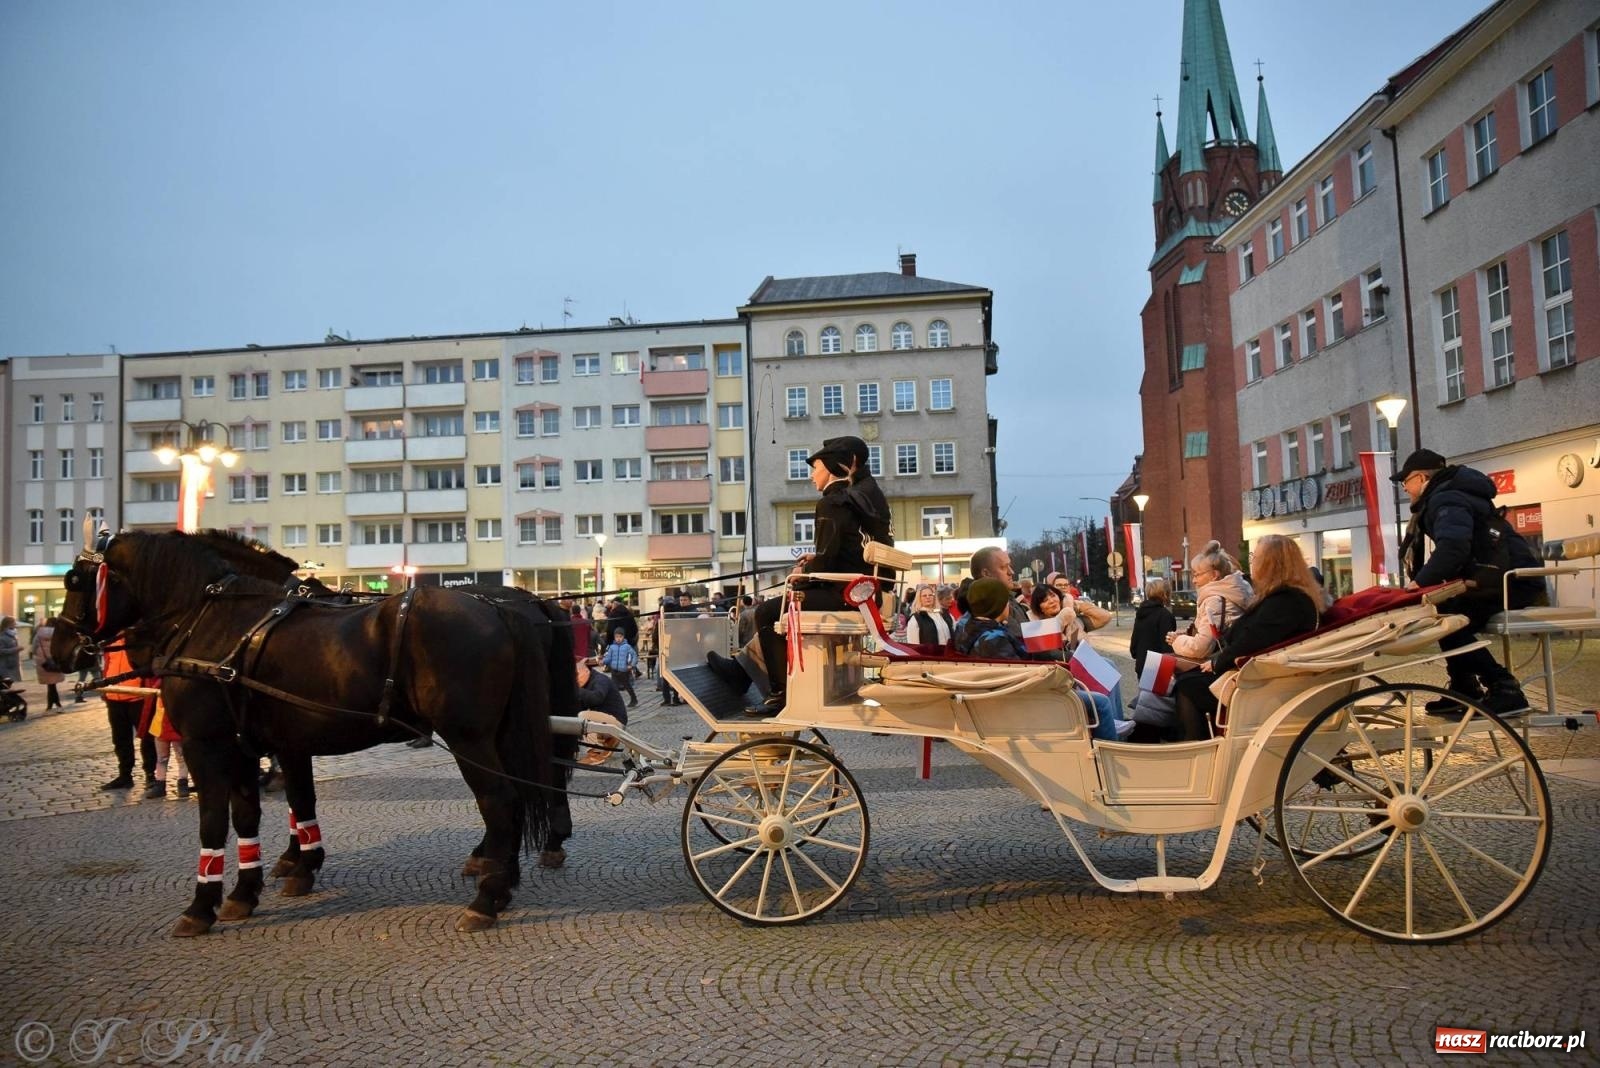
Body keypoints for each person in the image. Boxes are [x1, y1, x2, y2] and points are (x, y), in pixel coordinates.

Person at [707, 438, 890, 717]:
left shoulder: (831, 503)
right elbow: (843, 552)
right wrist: (813, 564)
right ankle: (745, 675)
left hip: (848, 593)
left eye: (815, 467)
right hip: (858, 590)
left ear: (832, 468)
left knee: (768, 612)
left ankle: (779, 695)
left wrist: (803, 576)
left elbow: (830, 559)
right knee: (779, 605)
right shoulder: (857, 497)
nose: (811, 474)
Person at [1395, 448, 1542, 716]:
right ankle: (1465, 689)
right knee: (1443, 613)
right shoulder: (1451, 494)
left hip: (1514, 580)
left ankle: (1504, 688)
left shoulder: (1447, 498)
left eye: (1405, 482)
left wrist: (1421, 583)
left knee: (1447, 619)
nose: (1405, 489)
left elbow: (1453, 547)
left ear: (1420, 477)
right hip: (1502, 576)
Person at [1169, 535, 1322, 742]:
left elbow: (1254, 639)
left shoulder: (1286, 601)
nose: (1252, 562)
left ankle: (1195, 748)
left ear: (1270, 564)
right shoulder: (1284, 597)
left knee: (1186, 686)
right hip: (1261, 672)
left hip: (1266, 682)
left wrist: (1217, 662)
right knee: (1188, 679)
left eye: (1255, 557)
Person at [958, 579, 1125, 740]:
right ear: (998, 604)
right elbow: (1017, 677)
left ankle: (1115, 726)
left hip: (1024, 690)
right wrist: (1057, 676)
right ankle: (1111, 750)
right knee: (1101, 702)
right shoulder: (993, 638)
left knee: (1104, 669)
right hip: (1028, 698)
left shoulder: (976, 629)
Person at [1167, 541, 1252, 662]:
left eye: (1197, 575)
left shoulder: (1214, 600)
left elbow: (1201, 648)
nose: (1194, 580)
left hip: (1220, 664)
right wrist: (1186, 633)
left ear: (1214, 575)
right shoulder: (1235, 591)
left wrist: (1176, 641)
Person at [100, 639, 157, 791]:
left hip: (137, 695)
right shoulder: (110, 642)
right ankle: (125, 775)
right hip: (114, 696)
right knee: (120, 739)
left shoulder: (135, 640)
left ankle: (151, 774)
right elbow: (107, 665)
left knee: (147, 737)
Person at [575, 657, 628, 766]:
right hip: (606, 723)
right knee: (575, 717)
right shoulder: (587, 682)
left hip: (616, 722)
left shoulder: (600, 680)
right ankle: (607, 742)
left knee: (583, 716)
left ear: (585, 670)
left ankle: (595, 753)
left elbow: (597, 697)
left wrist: (576, 690)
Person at [1130, 579, 1177, 676]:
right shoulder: (1165, 615)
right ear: (1165, 594)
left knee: (1143, 691)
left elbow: (1133, 648)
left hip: (1142, 666)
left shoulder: (1141, 613)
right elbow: (1168, 646)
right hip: (1158, 669)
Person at [907, 583, 955, 648]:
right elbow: (913, 645)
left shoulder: (944, 614)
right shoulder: (916, 619)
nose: (928, 597)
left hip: (947, 655)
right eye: (924, 595)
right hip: (929, 656)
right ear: (919, 598)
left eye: (930, 595)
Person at [32, 617, 65, 712]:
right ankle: (55, 703)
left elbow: (34, 647)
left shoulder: (39, 632)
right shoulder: (58, 633)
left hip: (43, 660)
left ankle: (51, 704)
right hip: (55, 658)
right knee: (52, 684)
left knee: (50, 685)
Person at [601, 628, 639, 708]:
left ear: (623, 637)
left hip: (624, 670)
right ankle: (614, 703)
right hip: (614, 670)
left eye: (620, 637)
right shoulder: (612, 647)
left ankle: (634, 699)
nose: (618, 639)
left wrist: (632, 665)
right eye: (616, 637)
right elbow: (608, 657)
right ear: (614, 637)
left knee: (627, 686)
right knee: (613, 688)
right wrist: (603, 661)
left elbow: (634, 656)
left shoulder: (627, 646)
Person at [0, 616, 19, 684]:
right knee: (6, 683)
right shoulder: (2, 636)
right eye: (14, 622)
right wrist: (16, 649)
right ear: (9, 624)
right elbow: (1, 651)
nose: (15, 624)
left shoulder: (12, 634)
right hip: (5, 664)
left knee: (9, 682)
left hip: (12, 663)